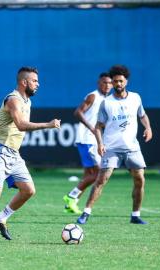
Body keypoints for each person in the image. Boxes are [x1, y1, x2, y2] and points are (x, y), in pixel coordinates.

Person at [0, 66, 61, 243]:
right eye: (34, 81)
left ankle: (1, 218)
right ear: (24, 82)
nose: (38, 84)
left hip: (13, 154)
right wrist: (48, 125)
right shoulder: (13, 100)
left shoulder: (27, 101)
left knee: (29, 190)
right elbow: (21, 125)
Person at [75, 65, 152, 225]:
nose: (118, 84)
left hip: (132, 148)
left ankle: (135, 215)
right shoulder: (106, 103)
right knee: (101, 180)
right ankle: (86, 213)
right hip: (112, 148)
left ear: (126, 81)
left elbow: (142, 115)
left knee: (140, 180)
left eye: (120, 81)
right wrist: (100, 143)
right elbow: (98, 126)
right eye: (115, 81)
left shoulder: (136, 98)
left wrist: (148, 128)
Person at [63, 72, 112, 215]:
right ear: (99, 83)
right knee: (98, 174)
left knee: (88, 174)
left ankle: (71, 203)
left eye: (109, 83)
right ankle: (71, 196)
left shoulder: (107, 99)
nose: (107, 85)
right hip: (87, 139)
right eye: (104, 82)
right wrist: (91, 127)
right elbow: (78, 112)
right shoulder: (93, 96)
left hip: (94, 140)